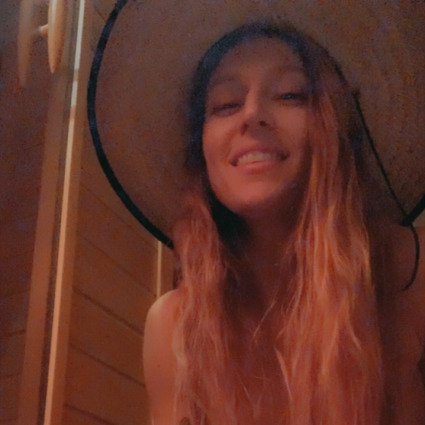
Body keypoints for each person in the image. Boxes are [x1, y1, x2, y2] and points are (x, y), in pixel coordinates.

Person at [142, 23, 425, 425]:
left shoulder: (413, 271)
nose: (252, 114)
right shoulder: (172, 328)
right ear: (201, 149)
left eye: (290, 95)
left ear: (333, 126)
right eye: (226, 104)